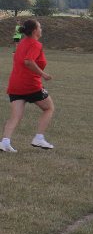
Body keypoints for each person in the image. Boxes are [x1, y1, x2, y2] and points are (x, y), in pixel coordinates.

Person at [2, 19, 55, 152]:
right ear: (35, 30)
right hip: (30, 85)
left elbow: (20, 56)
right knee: (49, 108)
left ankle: (5, 142)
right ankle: (39, 138)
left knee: (15, 116)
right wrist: (43, 74)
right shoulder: (35, 44)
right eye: (40, 27)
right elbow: (28, 61)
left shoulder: (22, 43)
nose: (41, 29)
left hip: (15, 85)